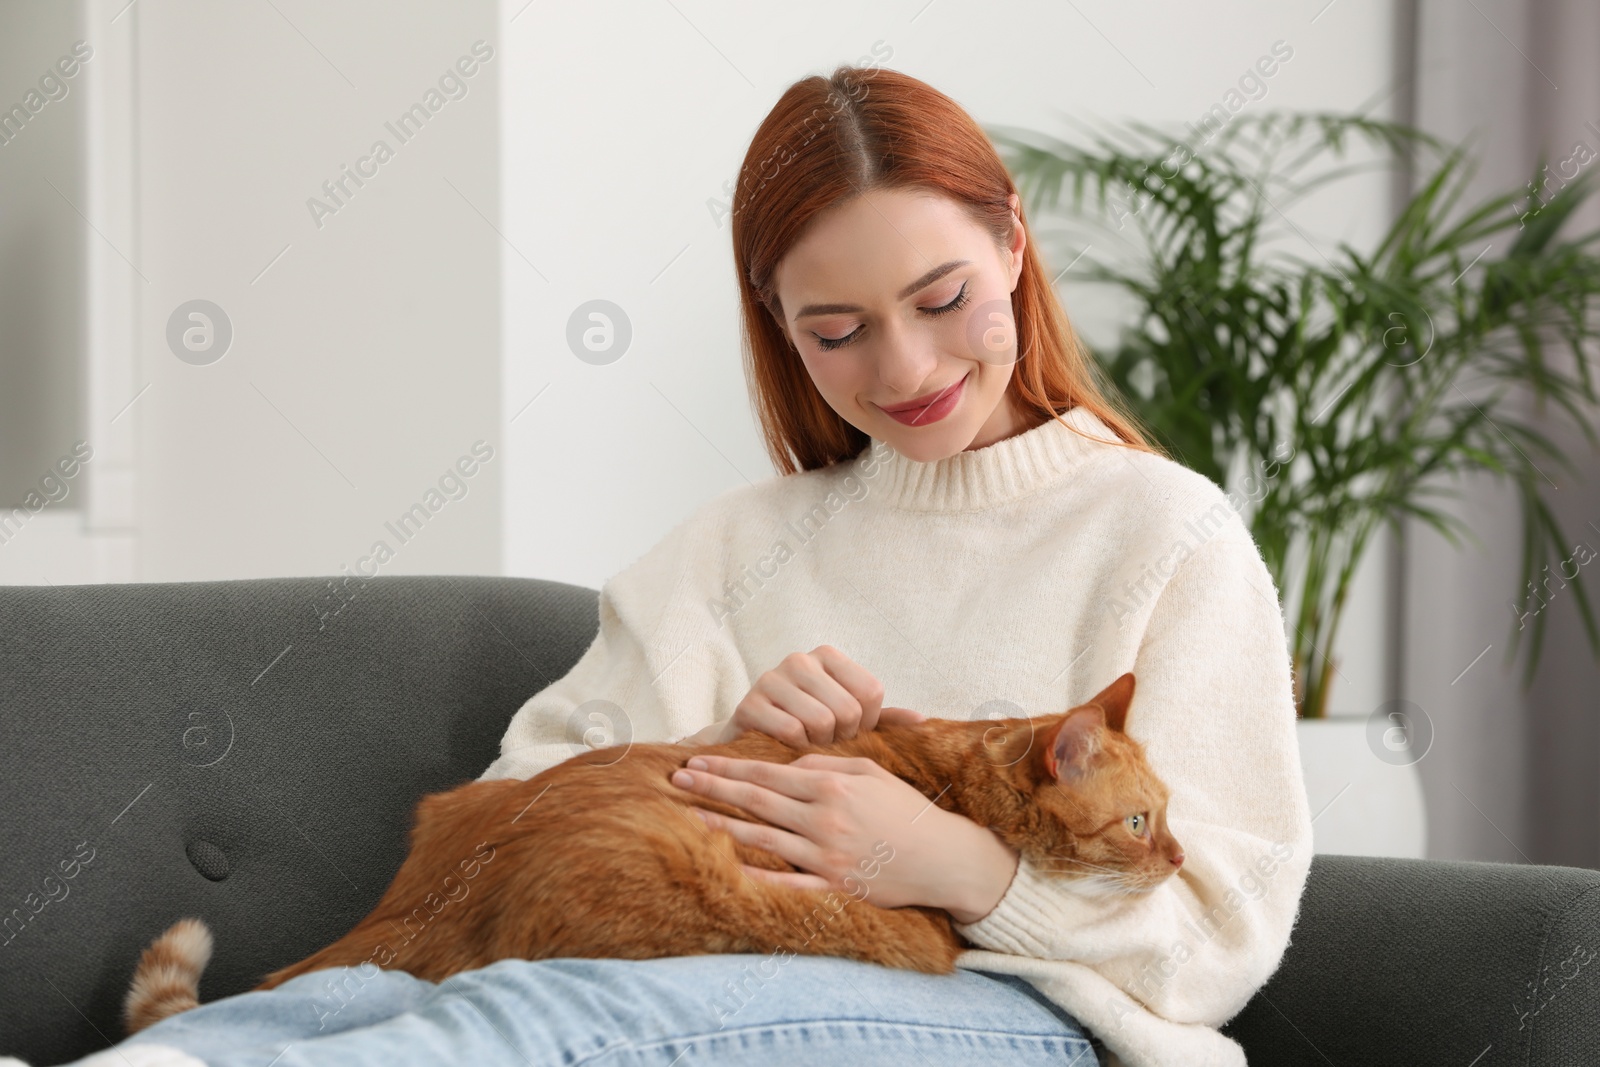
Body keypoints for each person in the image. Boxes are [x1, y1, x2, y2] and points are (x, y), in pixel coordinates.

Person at [58, 64, 1311, 1067]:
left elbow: (1220, 938)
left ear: (1013, 246)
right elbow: (516, 833)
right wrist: (714, 744)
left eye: (942, 299)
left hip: (1024, 1013)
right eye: (837, 330)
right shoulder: (734, 546)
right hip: (669, 974)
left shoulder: (1163, 534)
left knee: (551, 1028)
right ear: (778, 326)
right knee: (382, 1006)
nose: (907, 370)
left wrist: (959, 869)